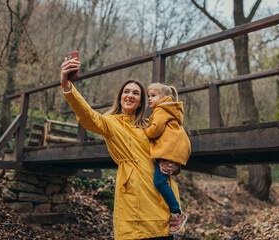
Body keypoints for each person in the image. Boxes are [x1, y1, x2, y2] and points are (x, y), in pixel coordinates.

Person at [60, 56, 181, 240]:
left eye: (136, 93)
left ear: (141, 101)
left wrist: (176, 165)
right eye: (126, 91)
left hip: (160, 203)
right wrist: (67, 86)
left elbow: (175, 144)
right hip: (134, 205)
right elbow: (87, 117)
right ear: (120, 96)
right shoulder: (110, 123)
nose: (130, 95)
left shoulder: (151, 126)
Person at [145, 83, 191, 235]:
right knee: (161, 181)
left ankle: (177, 213)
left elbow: (156, 129)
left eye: (153, 95)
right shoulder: (170, 110)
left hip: (167, 153)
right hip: (172, 151)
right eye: (148, 96)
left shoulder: (161, 110)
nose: (149, 99)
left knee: (159, 181)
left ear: (164, 98)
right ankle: (175, 212)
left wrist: (147, 132)